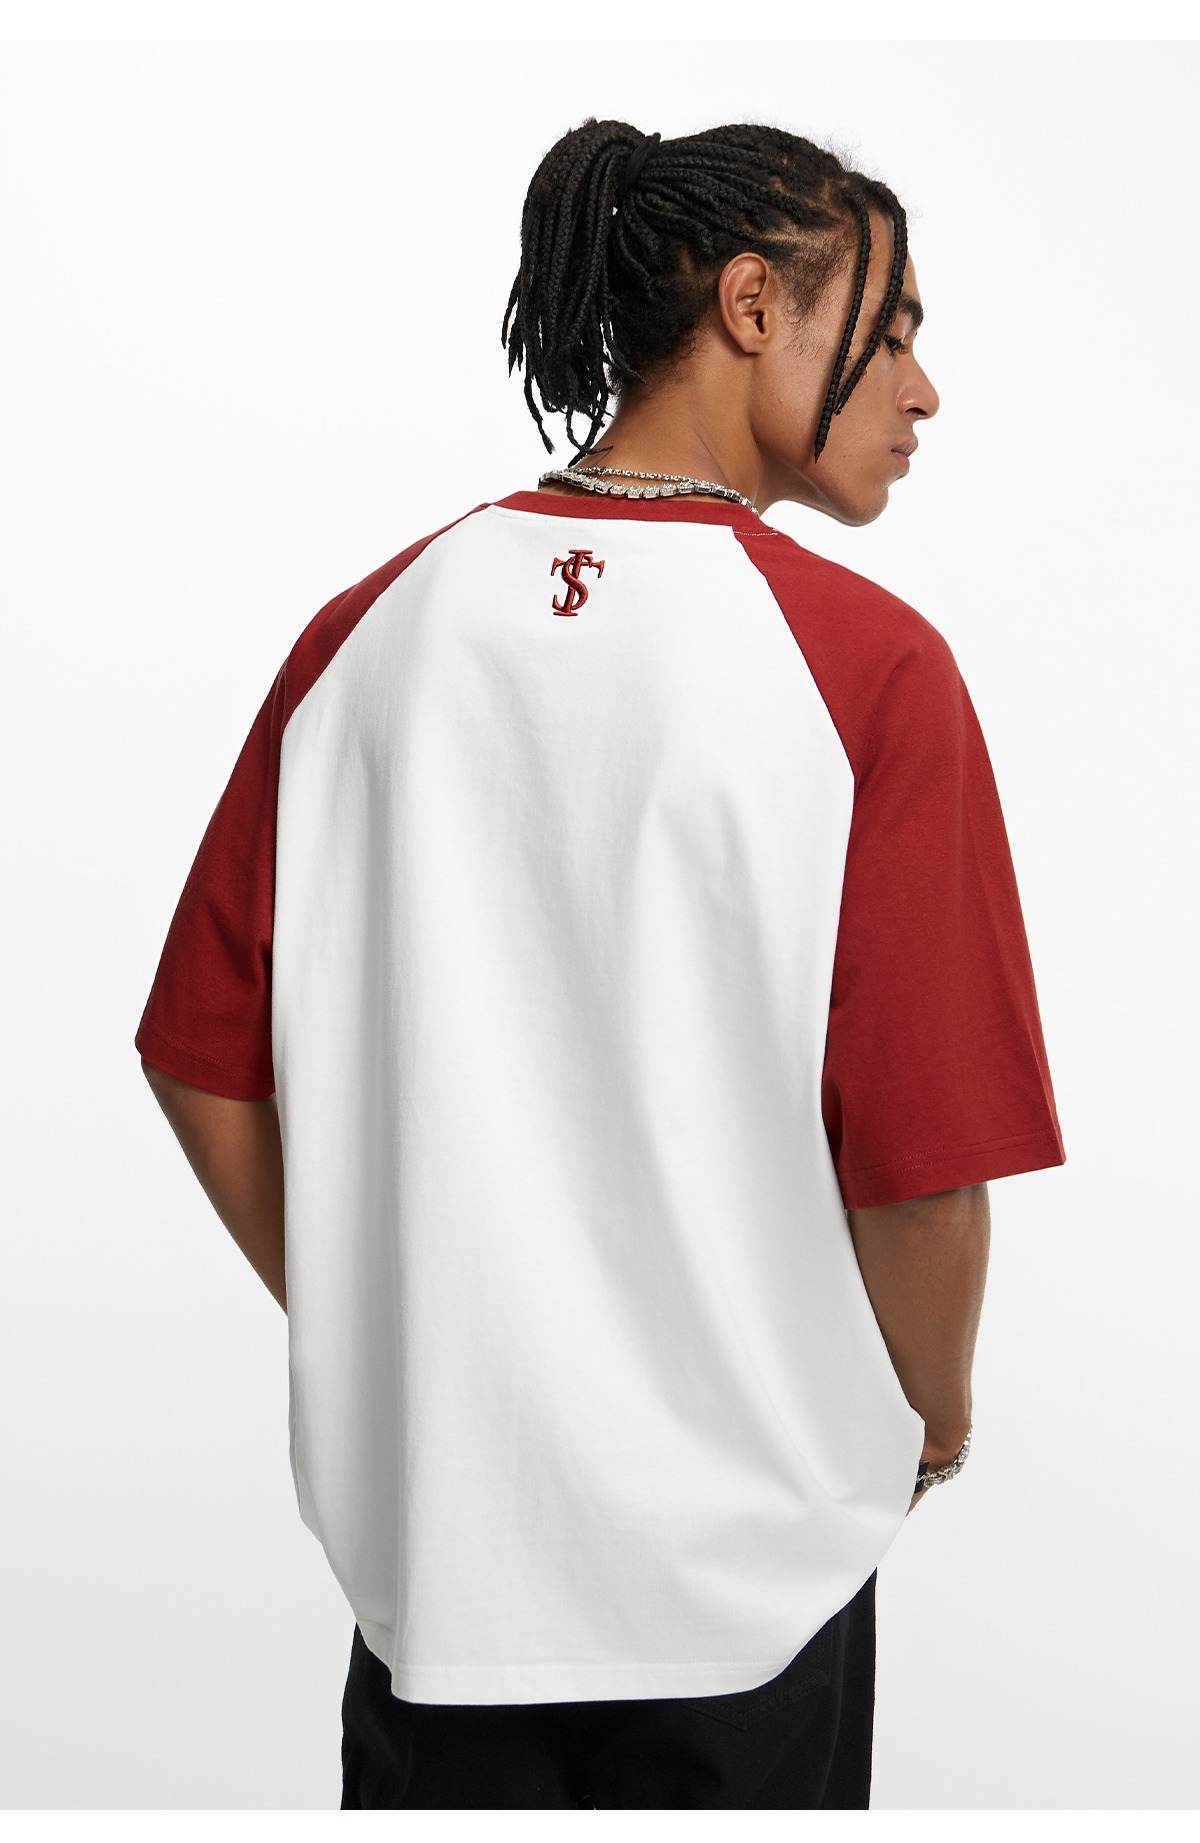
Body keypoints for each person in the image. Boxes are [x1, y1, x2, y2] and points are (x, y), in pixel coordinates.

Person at [134, 117, 1067, 1810]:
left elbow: (201, 1058)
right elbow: (925, 1179)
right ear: (753, 305)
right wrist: (933, 1415)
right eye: (895, 329)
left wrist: (397, 1319)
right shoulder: (871, 672)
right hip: (749, 1594)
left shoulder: (370, 635)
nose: (924, 390)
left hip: (441, 1587)